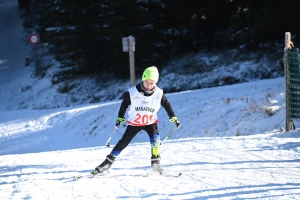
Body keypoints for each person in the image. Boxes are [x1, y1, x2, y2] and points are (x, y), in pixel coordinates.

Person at [93, 66, 181, 175]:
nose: (149, 86)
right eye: (146, 82)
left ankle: (156, 163)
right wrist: (120, 117)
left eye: (152, 83)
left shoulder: (159, 93)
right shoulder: (132, 92)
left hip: (150, 122)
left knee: (156, 142)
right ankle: (107, 162)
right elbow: (124, 104)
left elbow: (167, 105)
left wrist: (173, 117)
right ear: (143, 79)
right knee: (123, 143)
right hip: (135, 123)